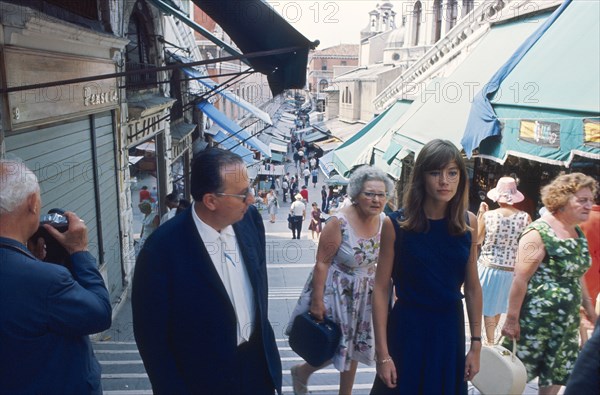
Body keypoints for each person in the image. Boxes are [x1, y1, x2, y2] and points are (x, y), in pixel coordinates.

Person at [132, 148, 282, 394]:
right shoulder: (160, 250)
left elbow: (259, 287)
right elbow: (152, 339)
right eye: (243, 194)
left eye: (250, 189)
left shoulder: (251, 220)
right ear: (211, 200)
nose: (252, 200)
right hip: (202, 379)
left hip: (257, 369)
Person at [371, 139, 482, 395]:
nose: (444, 180)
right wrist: (382, 354)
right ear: (422, 176)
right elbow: (380, 289)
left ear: (460, 178)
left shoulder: (468, 224)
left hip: (449, 331)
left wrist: (476, 345)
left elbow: (473, 288)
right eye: (435, 172)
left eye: (452, 172)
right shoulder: (395, 224)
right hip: (407, 329)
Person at [0, 159, 111, 394]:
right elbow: (100, 313)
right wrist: (79, 251)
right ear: (32, 203)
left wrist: (31, 263)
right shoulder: (48, 281)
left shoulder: (37, 276)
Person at [288, 165, 393, 395]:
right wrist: (317, 301)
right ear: (356, 195)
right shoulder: (339, 222)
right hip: (336, 289)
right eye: (369, 194)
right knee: (335, 341)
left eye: (381, 194)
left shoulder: (385, 221)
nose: (376, 200)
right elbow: (322, 262)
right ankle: (303, 371)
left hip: (366, 291)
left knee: (356, 346)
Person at [501, 172, 598, 395]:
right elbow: (520, 279)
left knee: (555, 374)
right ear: (562, 199)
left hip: (565, 324)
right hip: (535, 323)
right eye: (582, 200)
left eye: (590, 200)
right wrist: (512, 320)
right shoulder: (539, 231)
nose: (588, 205)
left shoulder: (577, 233)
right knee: (513, 377)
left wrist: (589, 307)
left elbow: (577, 274)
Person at [477, 177, 531, 345]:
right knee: (499, 305)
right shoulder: (525, 218)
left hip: (489, 267)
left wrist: (480, 214)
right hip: (511, 270)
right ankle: (492, 341)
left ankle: (490, 341)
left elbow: (477, 239)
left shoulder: (489, 216)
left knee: (488, 308)